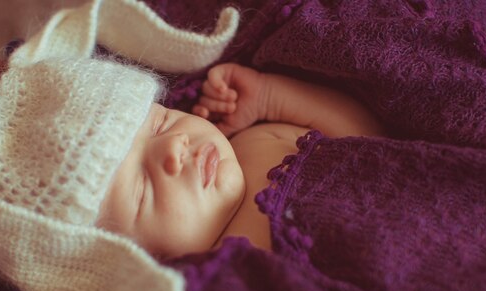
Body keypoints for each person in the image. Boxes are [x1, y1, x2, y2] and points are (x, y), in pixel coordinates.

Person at [98, 62, 383, 258]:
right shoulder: (215, 287)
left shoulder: (257, 142)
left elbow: (369, 141)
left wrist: (268, 96)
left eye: (160, 123)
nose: (174, 145)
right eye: (142, 188)